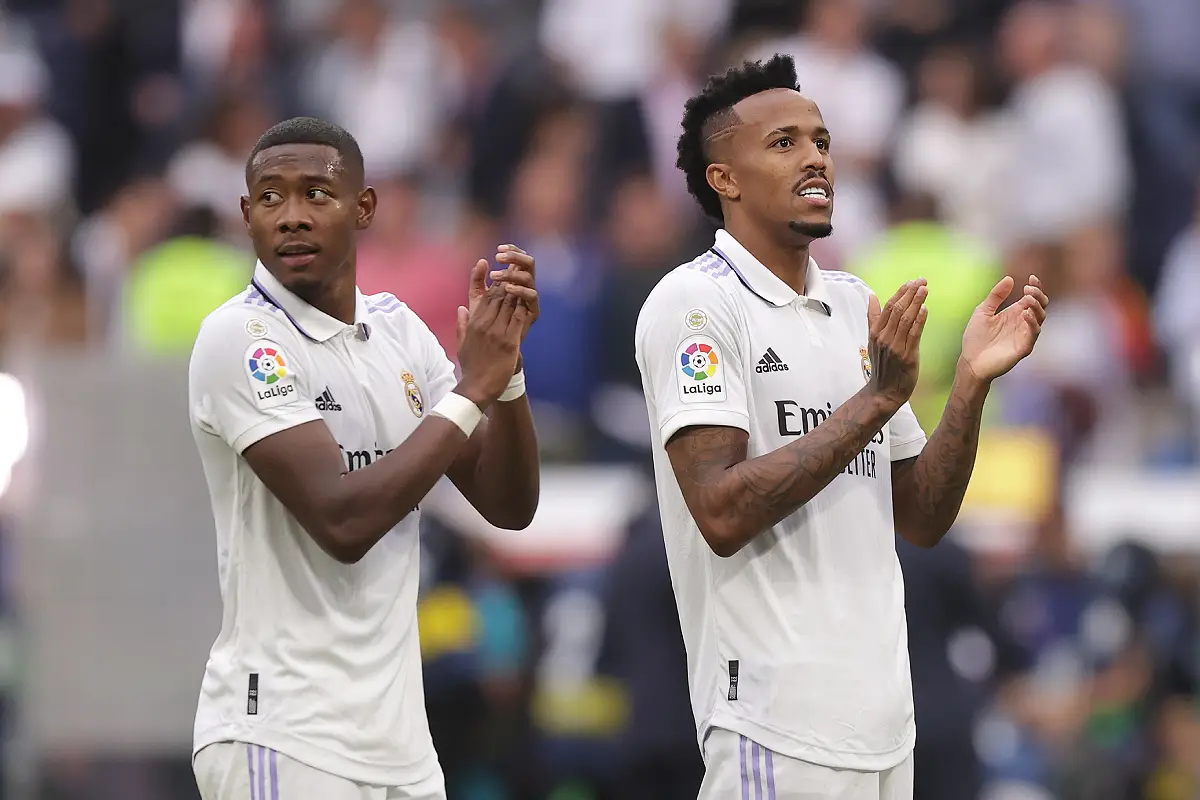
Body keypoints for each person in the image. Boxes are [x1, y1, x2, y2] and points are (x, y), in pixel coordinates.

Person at [633, 55, 1049, 800]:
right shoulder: (694, 305)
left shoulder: (857, 306)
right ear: (723, 178)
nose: (816, 156)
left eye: (821, 139)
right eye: (784, 142)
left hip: (887, 728)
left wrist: (969, 387)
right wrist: (874, 404)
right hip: (775, 728)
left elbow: (921, 516)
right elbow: (720, 510)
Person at [187, 117, 541, 800]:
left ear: (364, 208)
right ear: (244, 215)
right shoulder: (240, 337)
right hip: (283, 737)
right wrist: (472, 389)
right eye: (269, 197)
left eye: (316, 194)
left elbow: (509, 505)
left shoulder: (399, 332)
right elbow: (342, 521)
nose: (291, 216)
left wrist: (508, 376)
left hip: (400, 748)